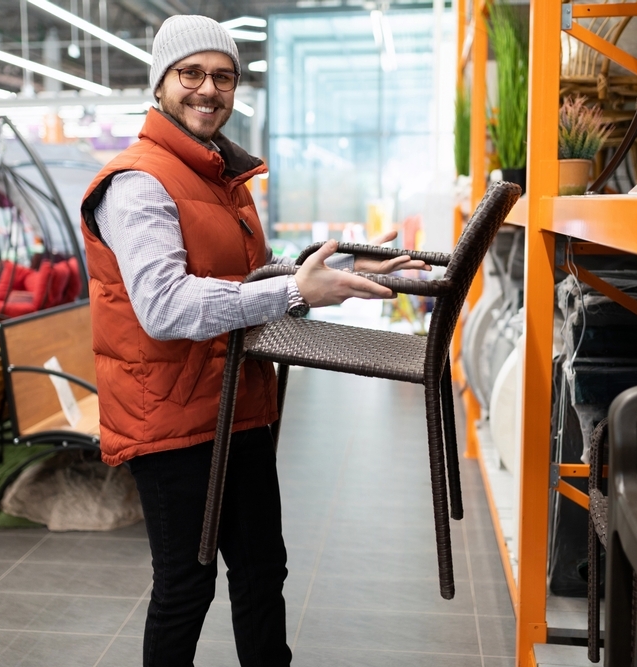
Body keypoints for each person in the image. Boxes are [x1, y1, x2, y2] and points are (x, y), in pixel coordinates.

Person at [79, 15, 424, 667]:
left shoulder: (219, 178)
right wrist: (298, 292)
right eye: (191, 74)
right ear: (160, 85)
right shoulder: (137, 182)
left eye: (223, 76)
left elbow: (242, 277)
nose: (208, 89)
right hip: (173, 417)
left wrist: (338, 272)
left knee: (264, 570)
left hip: (237, 403)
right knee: (186, 585)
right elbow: (166, 305)